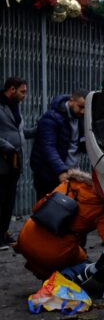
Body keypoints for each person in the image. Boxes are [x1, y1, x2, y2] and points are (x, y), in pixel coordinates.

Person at [14, 170, 104, 282]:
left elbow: (37, 208)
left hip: (24, 237)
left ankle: (46, 273)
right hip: (52, 253)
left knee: (67, 243)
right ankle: (63, 277)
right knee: (84, 262)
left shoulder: (70, 184)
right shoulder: (101, 208)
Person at [30, 91, 87, 201]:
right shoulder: (51, 118)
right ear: (71, 101)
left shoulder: (81, 118)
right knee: (47, 212)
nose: (83, 111)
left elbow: (79, 144)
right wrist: (61, 170)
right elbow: (48, 147)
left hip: (71, 174)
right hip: (49, 175)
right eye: (80, 107)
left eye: (85, 108)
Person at [0, 77, 34, 249]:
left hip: (15, 162)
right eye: (23, 91)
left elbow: (20, 131)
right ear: (11, 89)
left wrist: (36, 130)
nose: (25, 95)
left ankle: (3, 233)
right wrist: (7, 146)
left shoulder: (15, 107)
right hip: (2, 161)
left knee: (9, 201)